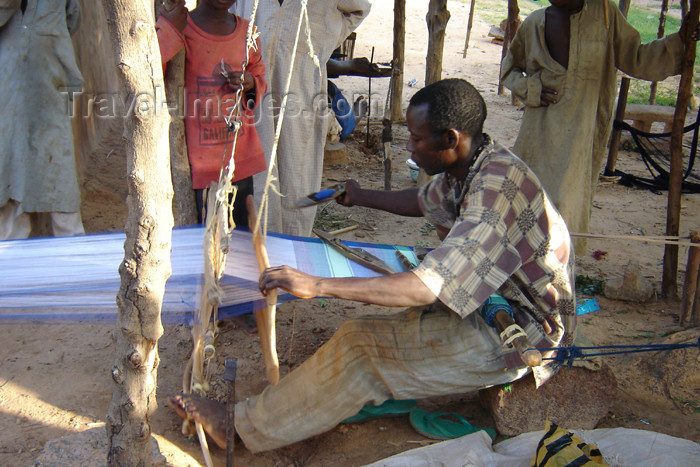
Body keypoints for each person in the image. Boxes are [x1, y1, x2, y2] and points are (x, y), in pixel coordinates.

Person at [169, 78, 577, 453]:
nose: (409, 148)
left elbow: (426, 286)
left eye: (416, 139)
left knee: (361, 349)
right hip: (492, 302)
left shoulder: (494, 195)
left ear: (450, 138)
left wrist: (319, 285)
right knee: (366, 336)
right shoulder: (477, 162)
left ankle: (239, 427)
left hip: (521, 333)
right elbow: (422, 201)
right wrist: (360, 196)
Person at [500, 0, 699, 256]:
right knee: (529, 196)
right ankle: (521, 261)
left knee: (565, 202)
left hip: (581, 132)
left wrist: (678, 42)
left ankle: (556, 268)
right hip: (537, 134)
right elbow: (509, 69)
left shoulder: (604, 15)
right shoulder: (534, 23)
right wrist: (531, 89)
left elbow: (636, 57)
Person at [230, 0, 371, 236]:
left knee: (298, 172)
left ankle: (293, 247)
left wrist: (324, 38)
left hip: (303, 90)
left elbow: (359, 9)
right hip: (253, 90)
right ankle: (260, 243)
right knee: (257, 171)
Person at [157, 0, 268, 229]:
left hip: (239, 158)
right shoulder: (180, 27)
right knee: (205, 235)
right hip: (198, 162)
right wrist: (169, 30)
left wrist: (249, 83)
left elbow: (258, 75)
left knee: (239, 233)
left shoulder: (248, 33)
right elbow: (154, 70)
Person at [0, 0, 85, 240]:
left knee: (61, 180)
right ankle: (11, 269)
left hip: (50, 96)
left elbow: (72, 20)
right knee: (8, 179)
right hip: (6, 104)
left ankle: (75, 266)